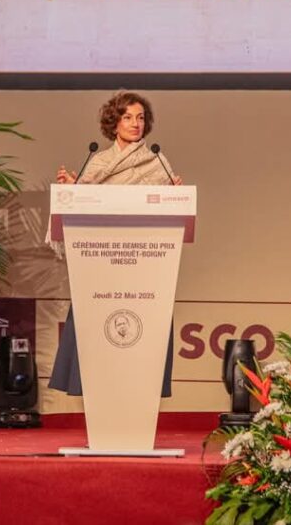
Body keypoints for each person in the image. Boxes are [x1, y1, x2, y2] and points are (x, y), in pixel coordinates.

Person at [49, 91, 183, 397]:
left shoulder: (157, 163)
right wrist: (74, 190)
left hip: (145, 268)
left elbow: (165, 209)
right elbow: (85, 205)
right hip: (100, 268)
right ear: (114, 122)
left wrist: (174, 195)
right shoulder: (98, 162)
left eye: (141, 118)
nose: (136, 124)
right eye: (127, 117)